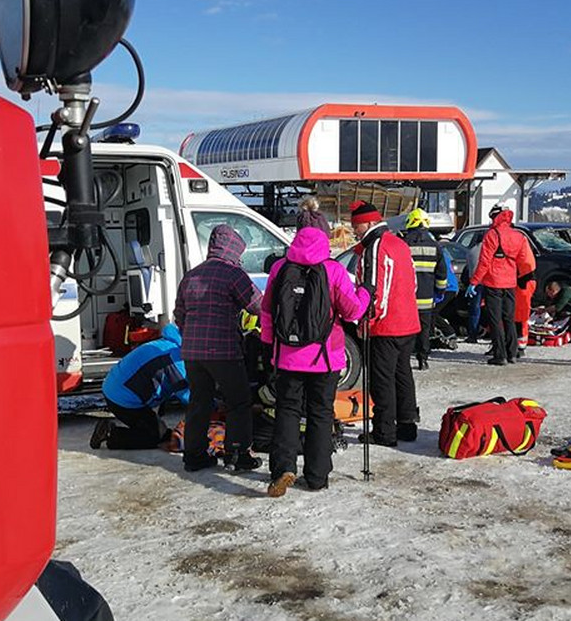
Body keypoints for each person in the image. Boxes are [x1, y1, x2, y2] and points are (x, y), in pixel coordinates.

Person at [261, 227, 370, 497]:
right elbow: (353, 310)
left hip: (287, 356)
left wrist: (268, 346)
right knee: (320, 414)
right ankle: (317, 476)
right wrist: (366, 293)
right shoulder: (333, 271)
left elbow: (266, 310)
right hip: (325, 358)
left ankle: (283, 468)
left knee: (287, 411)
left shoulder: (279, 268)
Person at [174, 223, 264, 472]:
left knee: (199, 402)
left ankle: (194, 456)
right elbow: (257, 305)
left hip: (192, 353)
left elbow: (179, 313)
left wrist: (189, 336)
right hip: (223, 351)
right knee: (238, 401)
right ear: (234, 248)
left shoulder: (191, 275)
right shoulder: (232, 274)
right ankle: (237, 453)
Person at [350, 200, 420, 447]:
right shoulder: (399, 243)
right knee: (403, 374)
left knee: (382, 379)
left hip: (386, 323)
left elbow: (373, 288)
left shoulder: (375, 246)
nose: (353, 231)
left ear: (368, 223)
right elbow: (413, 283)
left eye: (356, 226)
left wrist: (366, 318)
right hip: (408, 320)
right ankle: (407, 424)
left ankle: (384, 431)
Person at [90, 324, 188, 450]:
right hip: (123, 400)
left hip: (115, 388)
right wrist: (214, 406)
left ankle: (152, 427)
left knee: (163, 433)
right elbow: (188, 395)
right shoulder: (173, 356)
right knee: (154, 437)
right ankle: (111, 435)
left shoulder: (166, 344)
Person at [468, 205, 536, 365]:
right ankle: (513, 352)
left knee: (495, 319)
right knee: (509, 318)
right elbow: (524, 261)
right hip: (511, 282)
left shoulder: (492, 235)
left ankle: (500, 355)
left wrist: (474, 282)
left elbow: (484, 262)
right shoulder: (518, 235)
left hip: (494, 282)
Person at [400, 208, 448, 370]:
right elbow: (442, 275)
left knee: (406, 331)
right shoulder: (435, 247)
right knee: (424, 330)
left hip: (407, 299)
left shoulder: (403, 245)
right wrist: (440, 292)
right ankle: (423, 359)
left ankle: (405, 359)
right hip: (427, 299)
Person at [460, 243, 483, 343]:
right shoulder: (491, 247)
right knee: (494, 310)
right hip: (491, 281)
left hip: (474, 282)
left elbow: (468, 269)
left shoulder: (472, 251)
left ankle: (472, 335)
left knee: (474, 309)